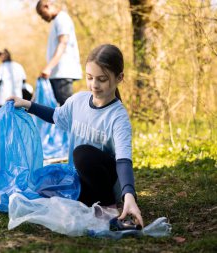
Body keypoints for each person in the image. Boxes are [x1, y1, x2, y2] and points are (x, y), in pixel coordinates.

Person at [8, 44, 144, 227]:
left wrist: (129, 195)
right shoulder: (78, 101)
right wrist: (27, 104)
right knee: (43, 188)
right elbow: (55, 116)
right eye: (90, 78)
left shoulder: (118, 117)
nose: (94, 85)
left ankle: (109, 208)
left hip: (105, 183)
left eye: (102, 79)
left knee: (82, 154)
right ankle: (87, 201)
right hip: (80, 180)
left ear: (119, 78)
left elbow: (123, 160)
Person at [36, 0, 82, 106]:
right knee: (61, 111)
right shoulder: (57, 21)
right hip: (57, 74)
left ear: (47, 6)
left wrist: (49, 67)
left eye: (42, 14)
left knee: (67, 109)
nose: (42, 18)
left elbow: (63, 43)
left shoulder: (62, 19)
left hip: (63, 73)